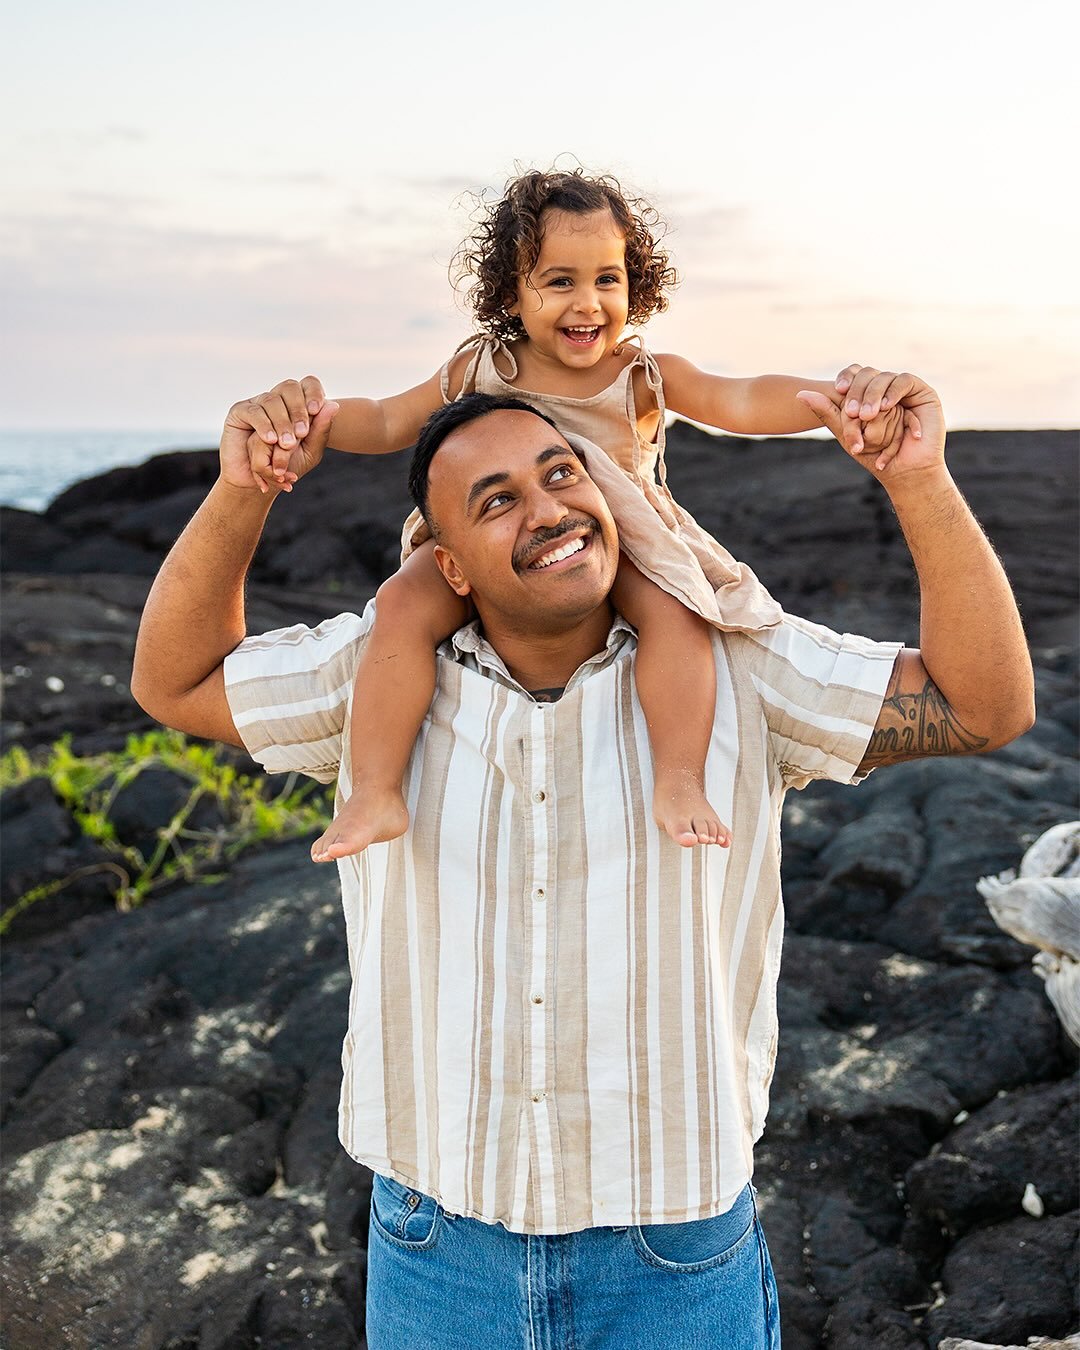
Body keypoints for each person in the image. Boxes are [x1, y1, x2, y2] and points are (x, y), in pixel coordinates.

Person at [131, 370, 1033, 1348]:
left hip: (675, 1256)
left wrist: (918, 481)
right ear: (449, 567)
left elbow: (980, 707)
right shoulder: (368, 681)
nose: (549, 507)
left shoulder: (742, 670)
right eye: (498, 499)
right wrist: (244, 488)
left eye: (561, 474)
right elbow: (175, 681)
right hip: (438, 1254)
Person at [237, 168, 919, 858]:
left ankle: (679, 778)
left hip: (620, 536)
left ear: (635, 283)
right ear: (512, 291)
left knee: (675, 616)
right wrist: (308, 424)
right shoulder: (479, 366)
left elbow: (739, 399)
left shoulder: (641, 375)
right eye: (559, 281)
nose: (587, 303)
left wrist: (839, 401)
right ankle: (375, 791)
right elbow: (386, 420)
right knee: (400, 605)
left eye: (607, 280)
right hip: (498, 542)